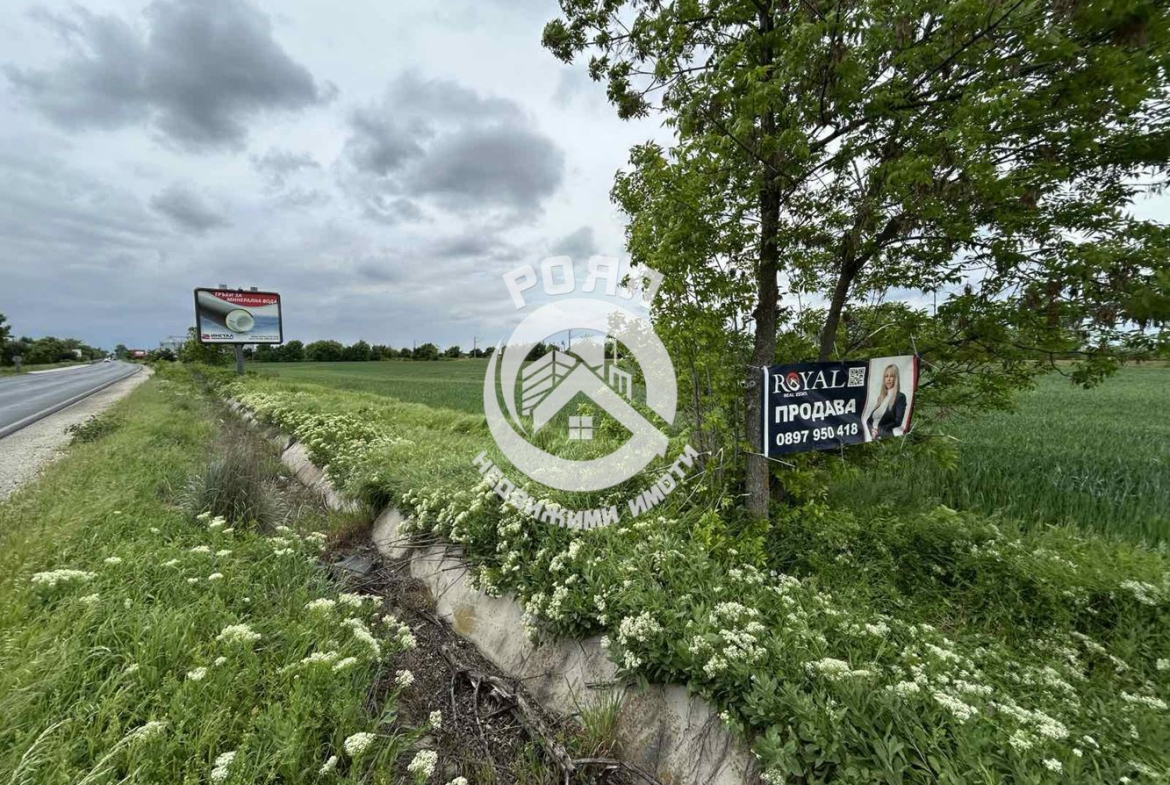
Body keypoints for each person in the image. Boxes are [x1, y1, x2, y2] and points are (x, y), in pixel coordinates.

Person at [863, 363, 907, 439]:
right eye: (886, 376)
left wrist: (878, 431)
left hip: (886, 436)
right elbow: (868, 421)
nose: (888, 379)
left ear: (896, 378)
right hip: (873, 437)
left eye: (891, 376)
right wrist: (872, 430)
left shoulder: (900, 397)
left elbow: (898, 421)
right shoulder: (881, 397)